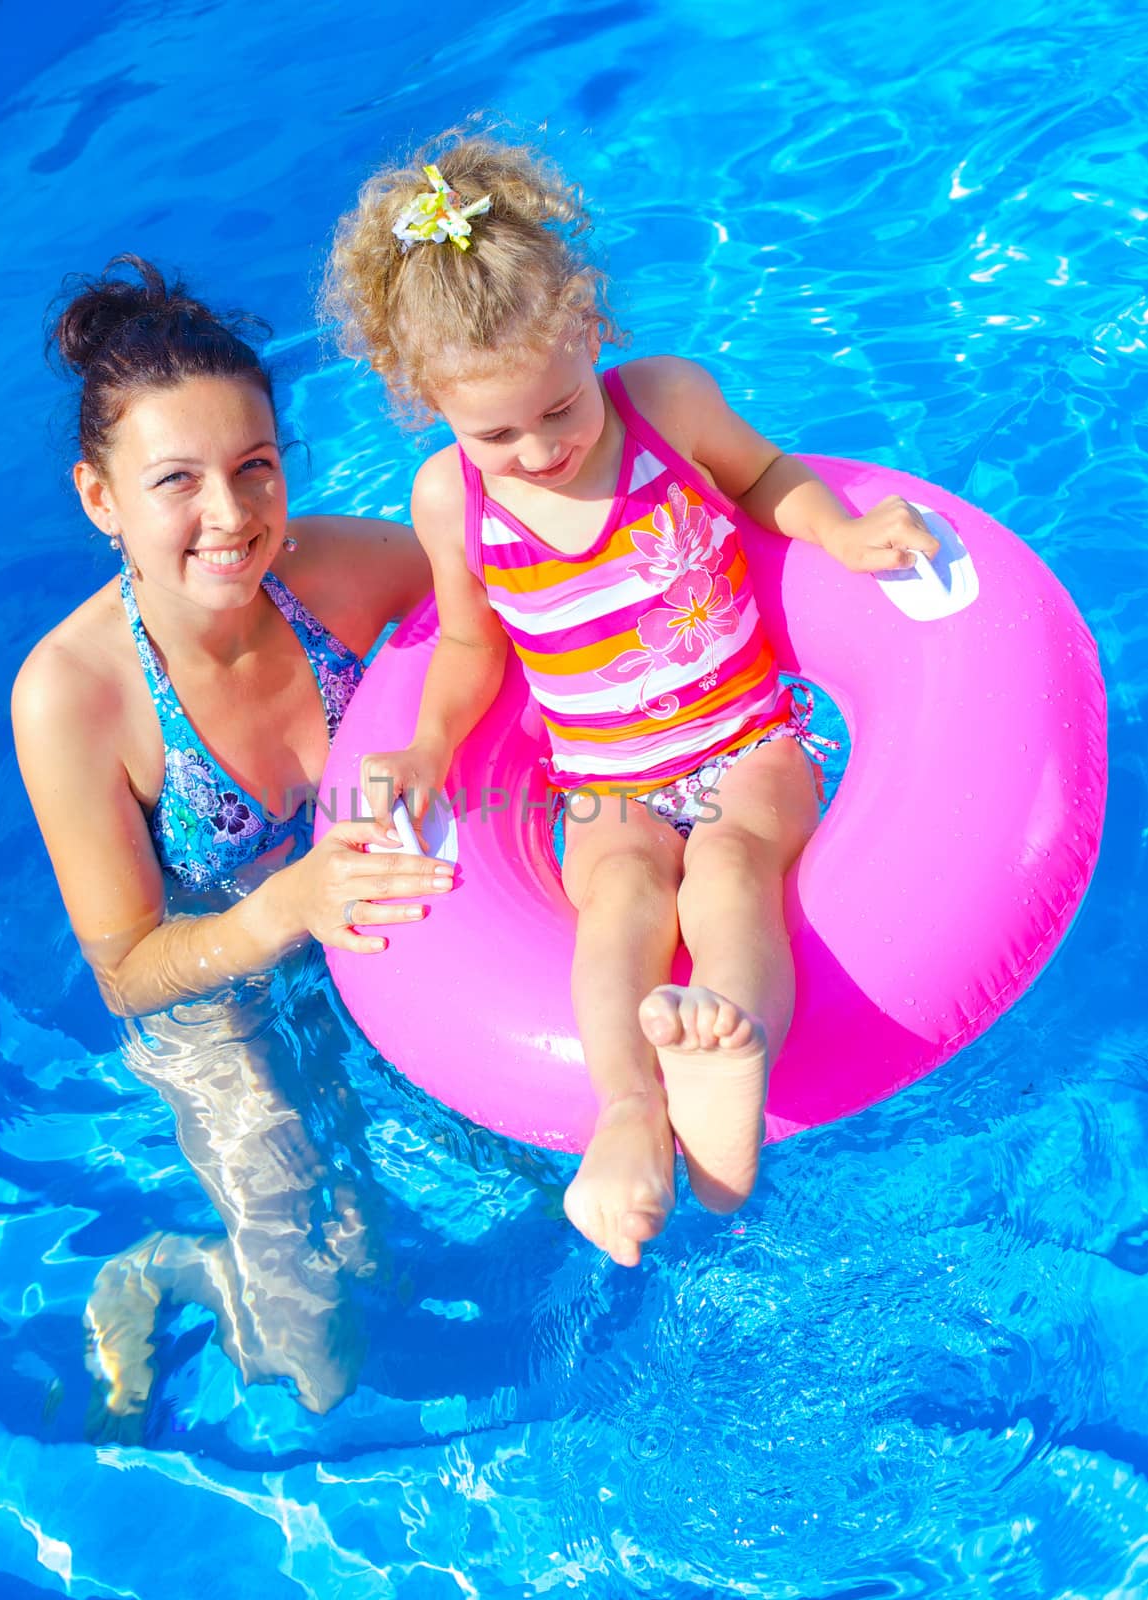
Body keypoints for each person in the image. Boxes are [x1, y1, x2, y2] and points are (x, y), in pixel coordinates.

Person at [323, 136, 941, 1269]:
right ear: (431, 411)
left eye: (558, 410)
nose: (539, 449)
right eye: (493, 433)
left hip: (748, 735)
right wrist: (423, 745)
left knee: (731, 865)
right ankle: (625, 1114)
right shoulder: (451, 503)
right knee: (615, 897)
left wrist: (843, 532)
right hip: (603, 774)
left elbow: (763, 479)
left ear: (589, 329)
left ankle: (732, 1039)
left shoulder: (662, 403)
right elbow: (471, 644)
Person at [12, 255, 447, 1419]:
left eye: (255, 468)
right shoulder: (74, 696)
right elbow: (126, 972)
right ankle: (167, 1265)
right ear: (99, 499)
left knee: (385, 1249)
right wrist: (285, 909)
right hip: (213, 1000)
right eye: (175, 481)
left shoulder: (342, 577)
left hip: (357, 935)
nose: (231, 516)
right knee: (321, 1357)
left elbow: (497, 609)